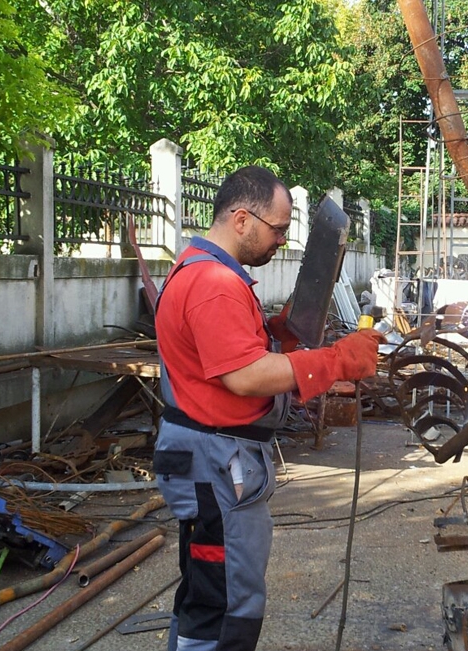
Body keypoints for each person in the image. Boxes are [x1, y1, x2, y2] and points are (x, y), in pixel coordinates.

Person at [153, 165, 383, 651]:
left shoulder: (204, 266)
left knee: (205, 591)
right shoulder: (214, 281)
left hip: (212, 461)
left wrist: (272, 333)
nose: (282, 240)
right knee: (226, 604)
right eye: (277, 229)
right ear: (241, 220)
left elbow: (223, 356)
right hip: (214, 464)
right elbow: (244, 376)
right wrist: (335, 360)